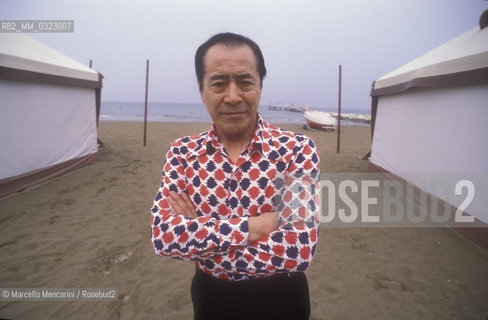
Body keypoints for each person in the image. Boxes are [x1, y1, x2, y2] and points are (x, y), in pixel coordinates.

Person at [150, 32, 320, 320]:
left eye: (245, 82)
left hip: (283, 298)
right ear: (201, 89)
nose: (232, 96)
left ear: (260, 86)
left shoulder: (297, 150)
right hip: (211, 297)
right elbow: (165, 237)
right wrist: (257, 226)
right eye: (218, 84)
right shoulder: (182, 153)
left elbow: (299, 249)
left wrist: (201, 237)